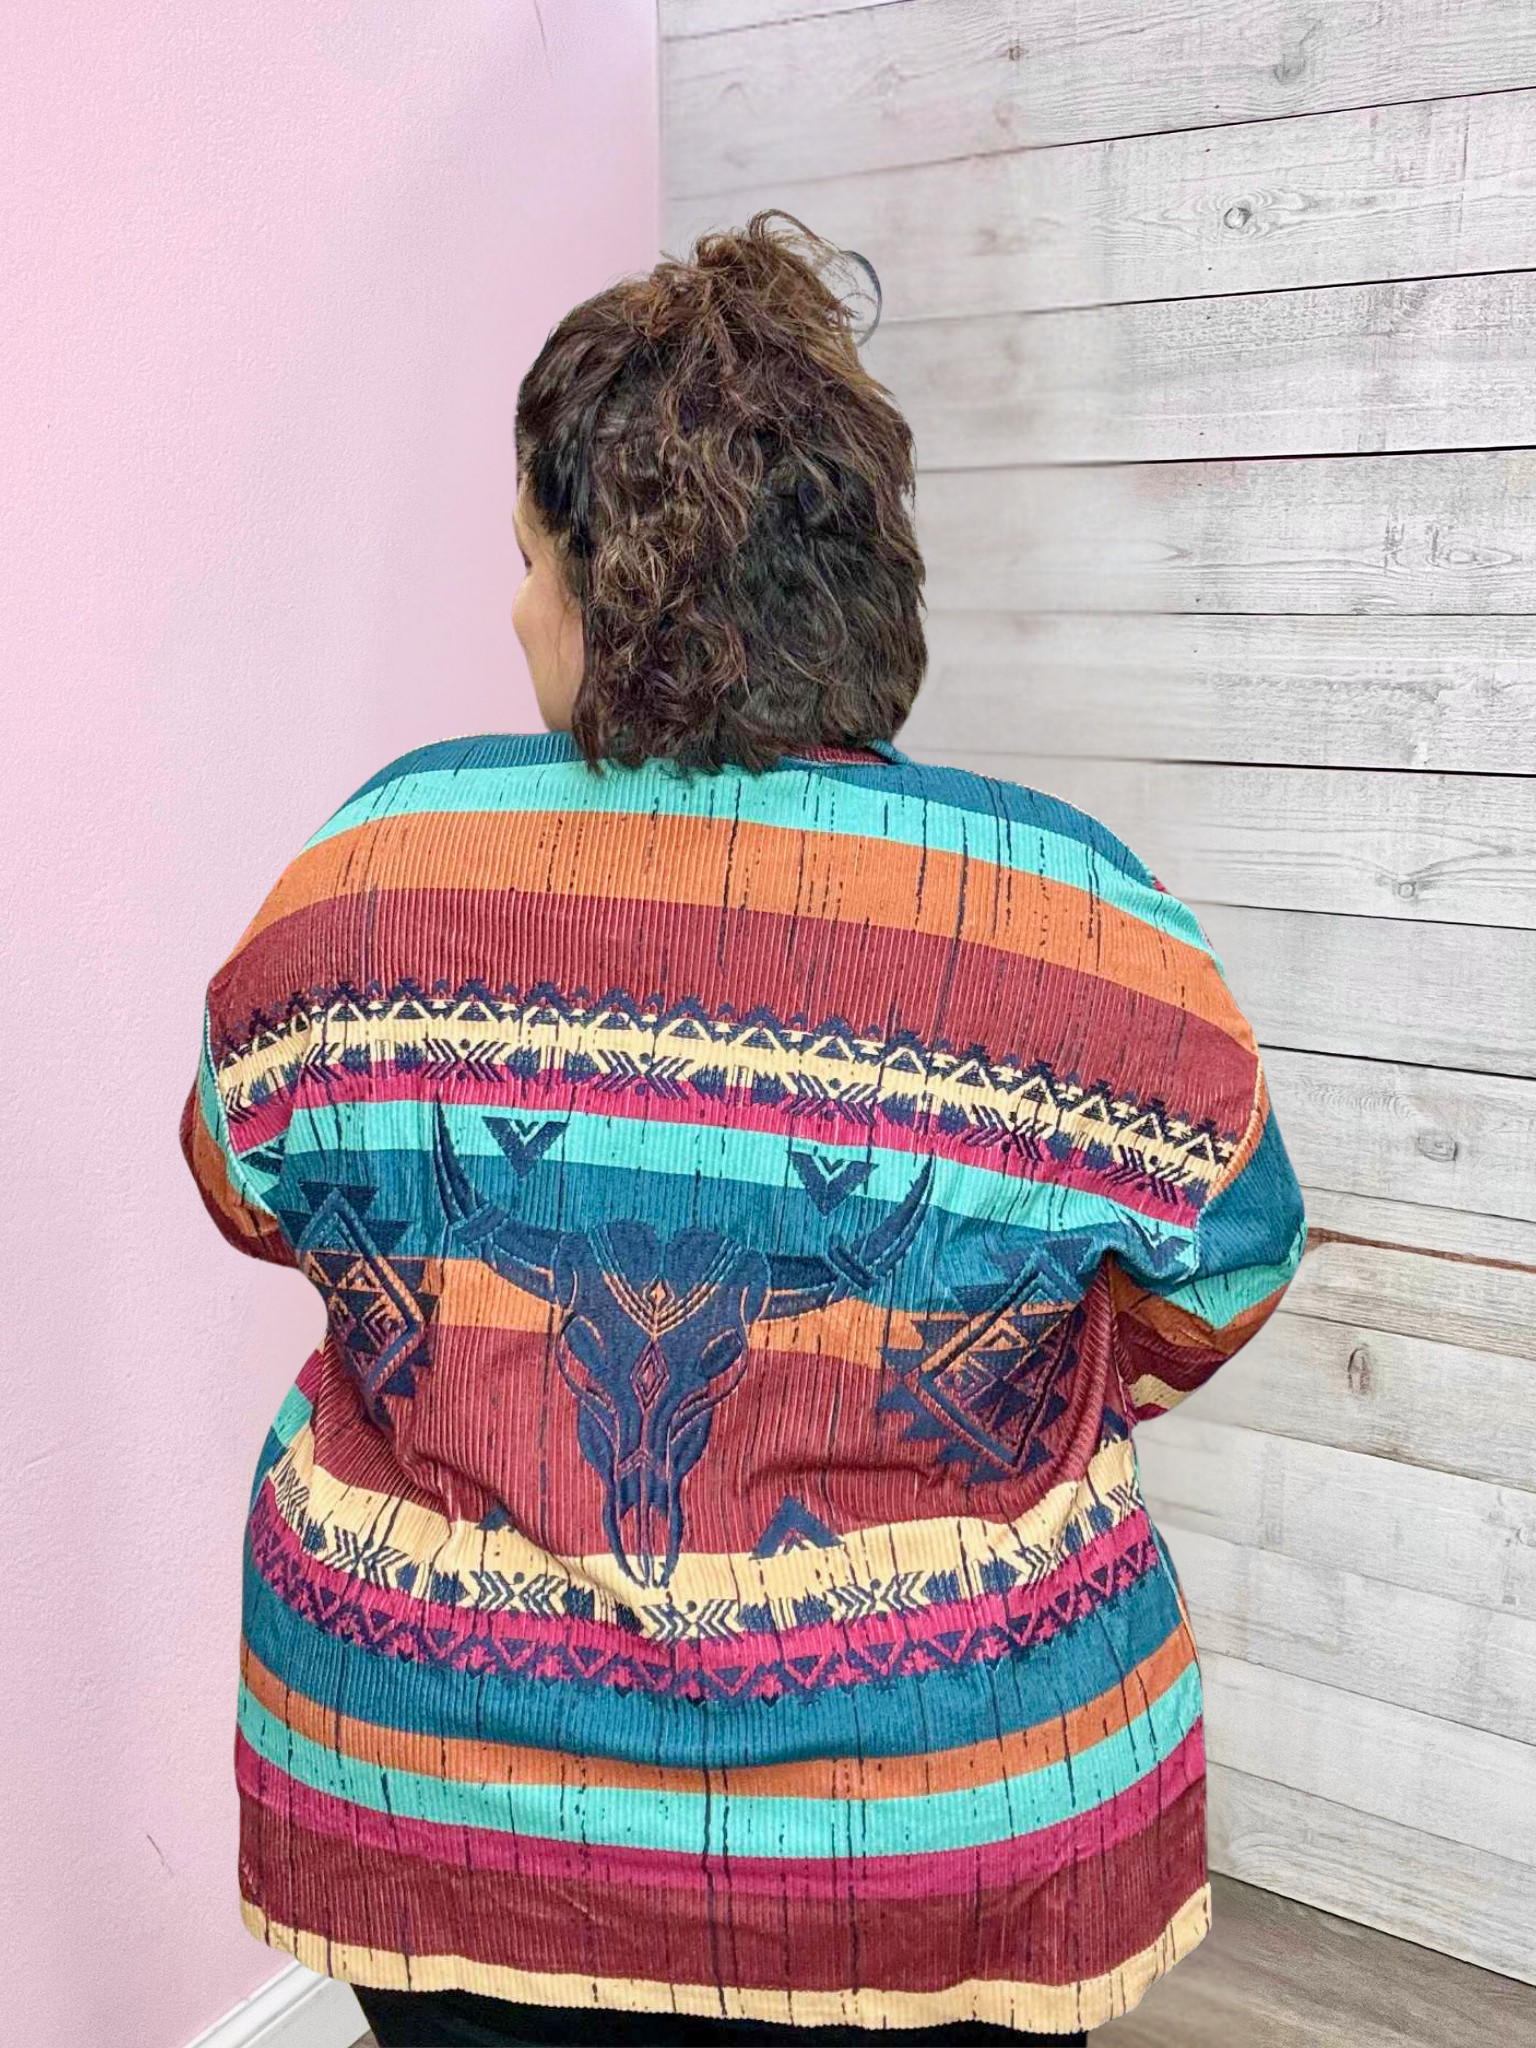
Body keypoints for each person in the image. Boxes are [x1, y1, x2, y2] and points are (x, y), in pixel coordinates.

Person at [180, 211, 1307, 2048]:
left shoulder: (366, 873)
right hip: (940, 1840)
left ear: (611, 591)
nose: (513, 609)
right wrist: (969, 1381)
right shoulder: (1085, 920)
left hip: (443, 1810)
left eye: (529, 559)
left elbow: (242, 1181)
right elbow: (1227, 1270)